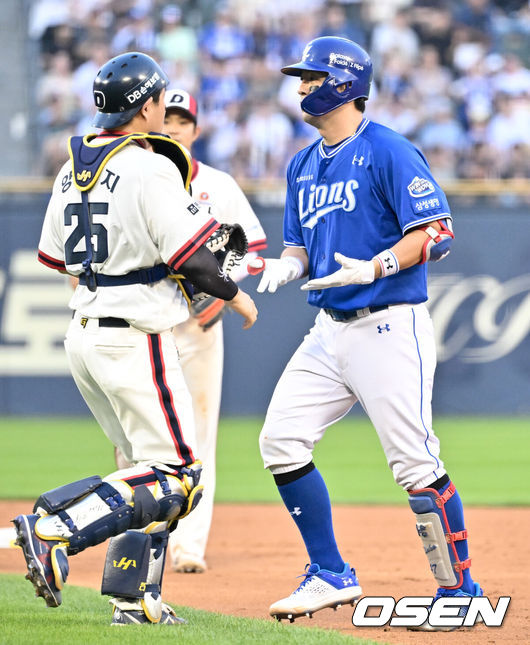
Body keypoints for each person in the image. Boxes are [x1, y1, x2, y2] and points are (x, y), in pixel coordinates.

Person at [13, 51, 257, 627]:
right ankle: (55, 528)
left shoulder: (70, 168)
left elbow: (58, 257)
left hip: (86, 332)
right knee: (178, 474)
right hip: (136, 334)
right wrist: (235, 293)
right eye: (159, 101)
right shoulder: (151, 167)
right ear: (146, 105)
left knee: (144, 472)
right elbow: (192, 258)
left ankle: (134, 600)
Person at [251, 36, 483, 630]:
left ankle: (460, 590)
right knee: (280, 439)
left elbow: (437, 232)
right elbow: (300, 246)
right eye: (301, 76)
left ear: (345, 81)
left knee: (413, 462)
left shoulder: (388, 150)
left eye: (312, 75)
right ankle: (330, 572)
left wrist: (378, 264)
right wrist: (287, 265)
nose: (302, 85)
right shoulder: (303, 163)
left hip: (387, 322)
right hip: (330, 328)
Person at [115, 87, 267, 574]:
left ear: (196, 131)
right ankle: (135, 539)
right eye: (168, 117)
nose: (173, 127)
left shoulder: (218, 185)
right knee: (132, 437)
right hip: (142, 321)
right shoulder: (133, 178)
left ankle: (189, 546)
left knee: (199, 436)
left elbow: (250, 249)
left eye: (183, 121)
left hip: (197, 326)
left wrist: (221, 293)